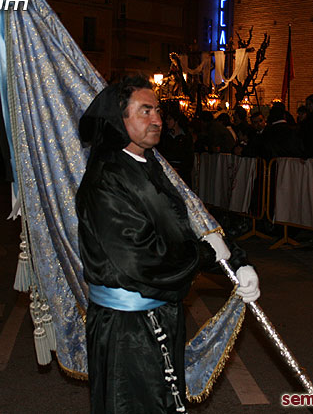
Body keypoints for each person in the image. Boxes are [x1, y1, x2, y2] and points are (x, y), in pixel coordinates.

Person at [75, 75, 260, 414]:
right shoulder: (107, 178)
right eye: (145, 111)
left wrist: (235, 260)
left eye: (158, 110)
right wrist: (205, 254)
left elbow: (179, 227)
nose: (158, 120)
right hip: (127, 330)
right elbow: (139, 260)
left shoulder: (149, 166)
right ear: (119, 119)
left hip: (159, 316)